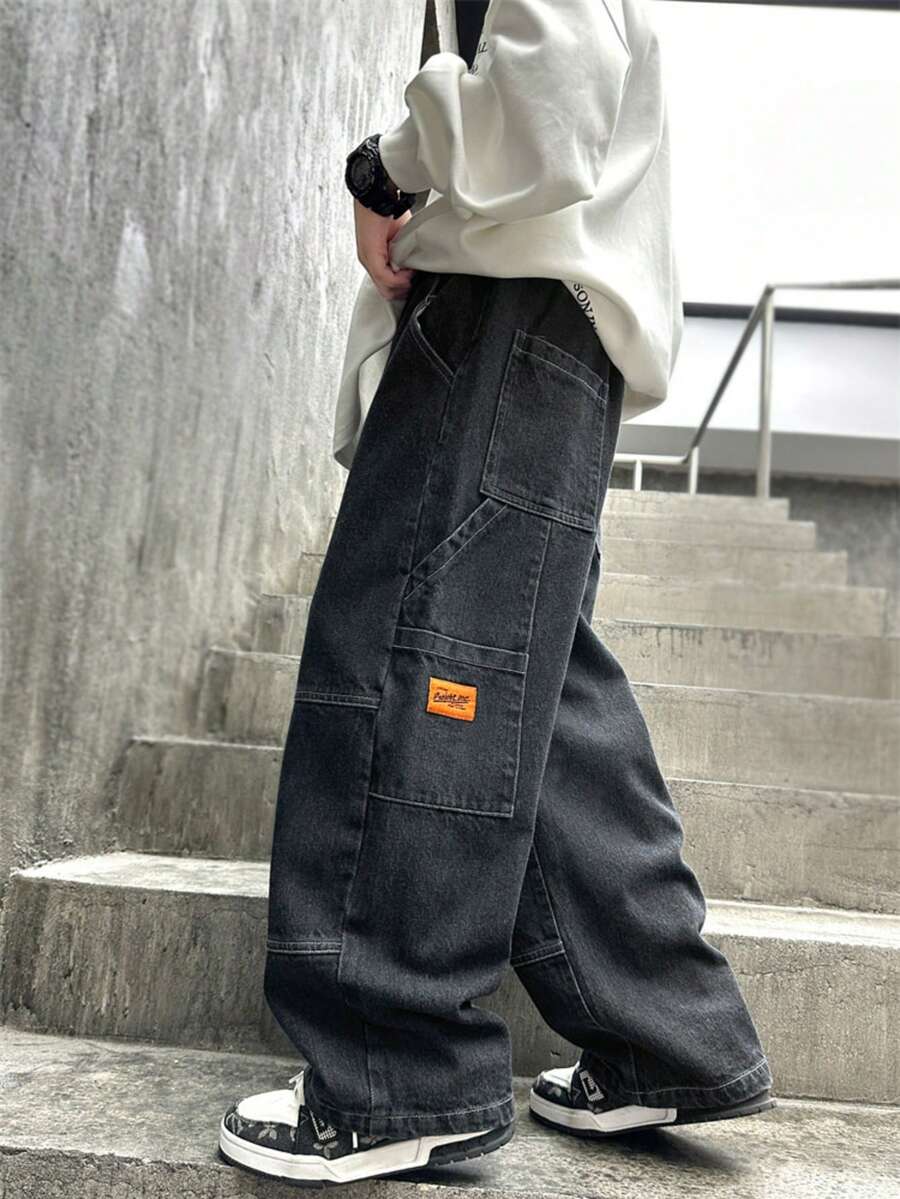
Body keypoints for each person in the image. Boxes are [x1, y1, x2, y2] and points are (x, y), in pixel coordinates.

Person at [218, 0, 774, 1186]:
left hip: (503, 315)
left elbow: (549, 100)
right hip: (554, 333)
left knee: (413, 663)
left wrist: (383, 166)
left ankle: (392, 1071)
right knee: (536, 694)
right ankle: (665, 1032)